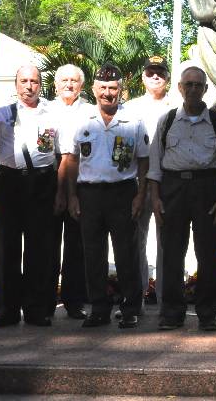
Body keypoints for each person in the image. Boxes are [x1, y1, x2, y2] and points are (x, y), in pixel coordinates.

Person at [61, 64, 149, 329]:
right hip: (89, 194)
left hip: (123, 192)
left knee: (126, 254)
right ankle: (98, 308)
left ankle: (130, 308)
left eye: (113, 88)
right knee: (93, 255)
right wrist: (72, 196)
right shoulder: (82, 120)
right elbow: (70, 160)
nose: (108, 94)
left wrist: (140, 195)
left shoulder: (133, 121)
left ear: (121, 89)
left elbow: (144, 162)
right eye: (103, 88)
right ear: (94, 89)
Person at [148, 67, 216, 331]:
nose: (194, 89)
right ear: (180, 88)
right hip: (173, 189)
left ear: (206, 89)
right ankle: (172, 313)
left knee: (208, 253)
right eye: (189, 84)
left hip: (207, 189)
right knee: (172, 252)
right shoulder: (168, 120)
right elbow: (154, 163)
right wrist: (155, 198)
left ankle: (207, 313)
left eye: (199, 85)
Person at [0, 65, 63, 328]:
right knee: (7, 248)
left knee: (38, 249)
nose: (28, 86)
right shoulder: (1, 114)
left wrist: (60, 192)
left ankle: (36, 310)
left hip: (42, 184)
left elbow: (62, 155)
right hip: (9, 184)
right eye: (24, 81)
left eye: (34, 81)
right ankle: (6, 311)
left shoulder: (53, 114)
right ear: (16, 84)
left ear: (41, 84)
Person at [124, 55, 180, 306]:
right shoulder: (131, 108)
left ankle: (165, 296)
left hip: (167, 181)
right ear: (143, 77)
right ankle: (137, 293)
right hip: (139, 180)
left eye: (160, 72)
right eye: (150, 73)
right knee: (137, 239)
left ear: (168, 78)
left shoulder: (177, 107)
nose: (155, 76)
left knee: (166, 240)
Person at [48, 64, 91, 320]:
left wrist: (72, 191)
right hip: (50, 176)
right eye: (63, 80)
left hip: (81, 177)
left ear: (81, 86)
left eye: (74, 81)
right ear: (55, 85)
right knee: (48, 243)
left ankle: (74, 301)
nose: (69, 85)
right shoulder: (45, 109)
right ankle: (45, 299)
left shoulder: (89, 112)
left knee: (76, 245)